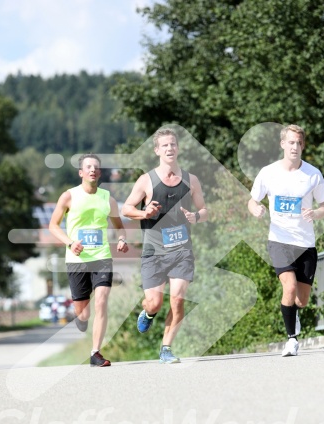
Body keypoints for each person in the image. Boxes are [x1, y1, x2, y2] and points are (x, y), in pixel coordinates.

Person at [122, 127, 208, 364]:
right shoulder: (146, 180)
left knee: (178, 300)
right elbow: (126, 209)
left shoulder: (191, 180)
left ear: (178, 148)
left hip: (181, 250)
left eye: (173, 144)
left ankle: (166, 348)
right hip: (154, 252)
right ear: (157, 150)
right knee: (155, 302)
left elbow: (205, 210)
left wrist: (197, 217)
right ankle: (148, 311)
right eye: (165, 145)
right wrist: (144, 212)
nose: (170, 148)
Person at [248, 124, 324, 357]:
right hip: (279, 240)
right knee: (289, 286)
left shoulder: (313, 174)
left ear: (303, 146)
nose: (294, 147)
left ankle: (294, 315)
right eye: (290, 142)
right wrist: (256, 209)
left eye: (298, 143)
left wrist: (315, 213)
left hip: (305, 243)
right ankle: (291, 340)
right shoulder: (268, 172)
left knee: (301, 301)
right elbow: (253, 200)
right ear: (283, 144)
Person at [49, 153, 129, 367]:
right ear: (81, 172)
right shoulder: (68, 196)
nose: (92, 170)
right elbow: (53, 226)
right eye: (88, 167)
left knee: (101, 300)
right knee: (82, 312)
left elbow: (120, 227)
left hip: (102, 257)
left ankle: (95, 353)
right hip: (77, 260)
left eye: (96, 167)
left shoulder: (108, 199)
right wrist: (69, 242)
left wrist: (121, 239)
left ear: (100, 172)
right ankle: (81, 319)